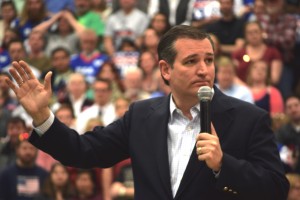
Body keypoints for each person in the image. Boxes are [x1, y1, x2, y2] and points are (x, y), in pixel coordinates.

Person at [6, 25, 289, 199]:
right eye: (191, 61)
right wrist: (43, 116)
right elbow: (84, 151)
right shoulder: (141, 116)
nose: (204, 69)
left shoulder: (248, 119)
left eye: (209, 60)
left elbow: (277, 189)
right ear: (165, 70)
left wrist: (223, 165)